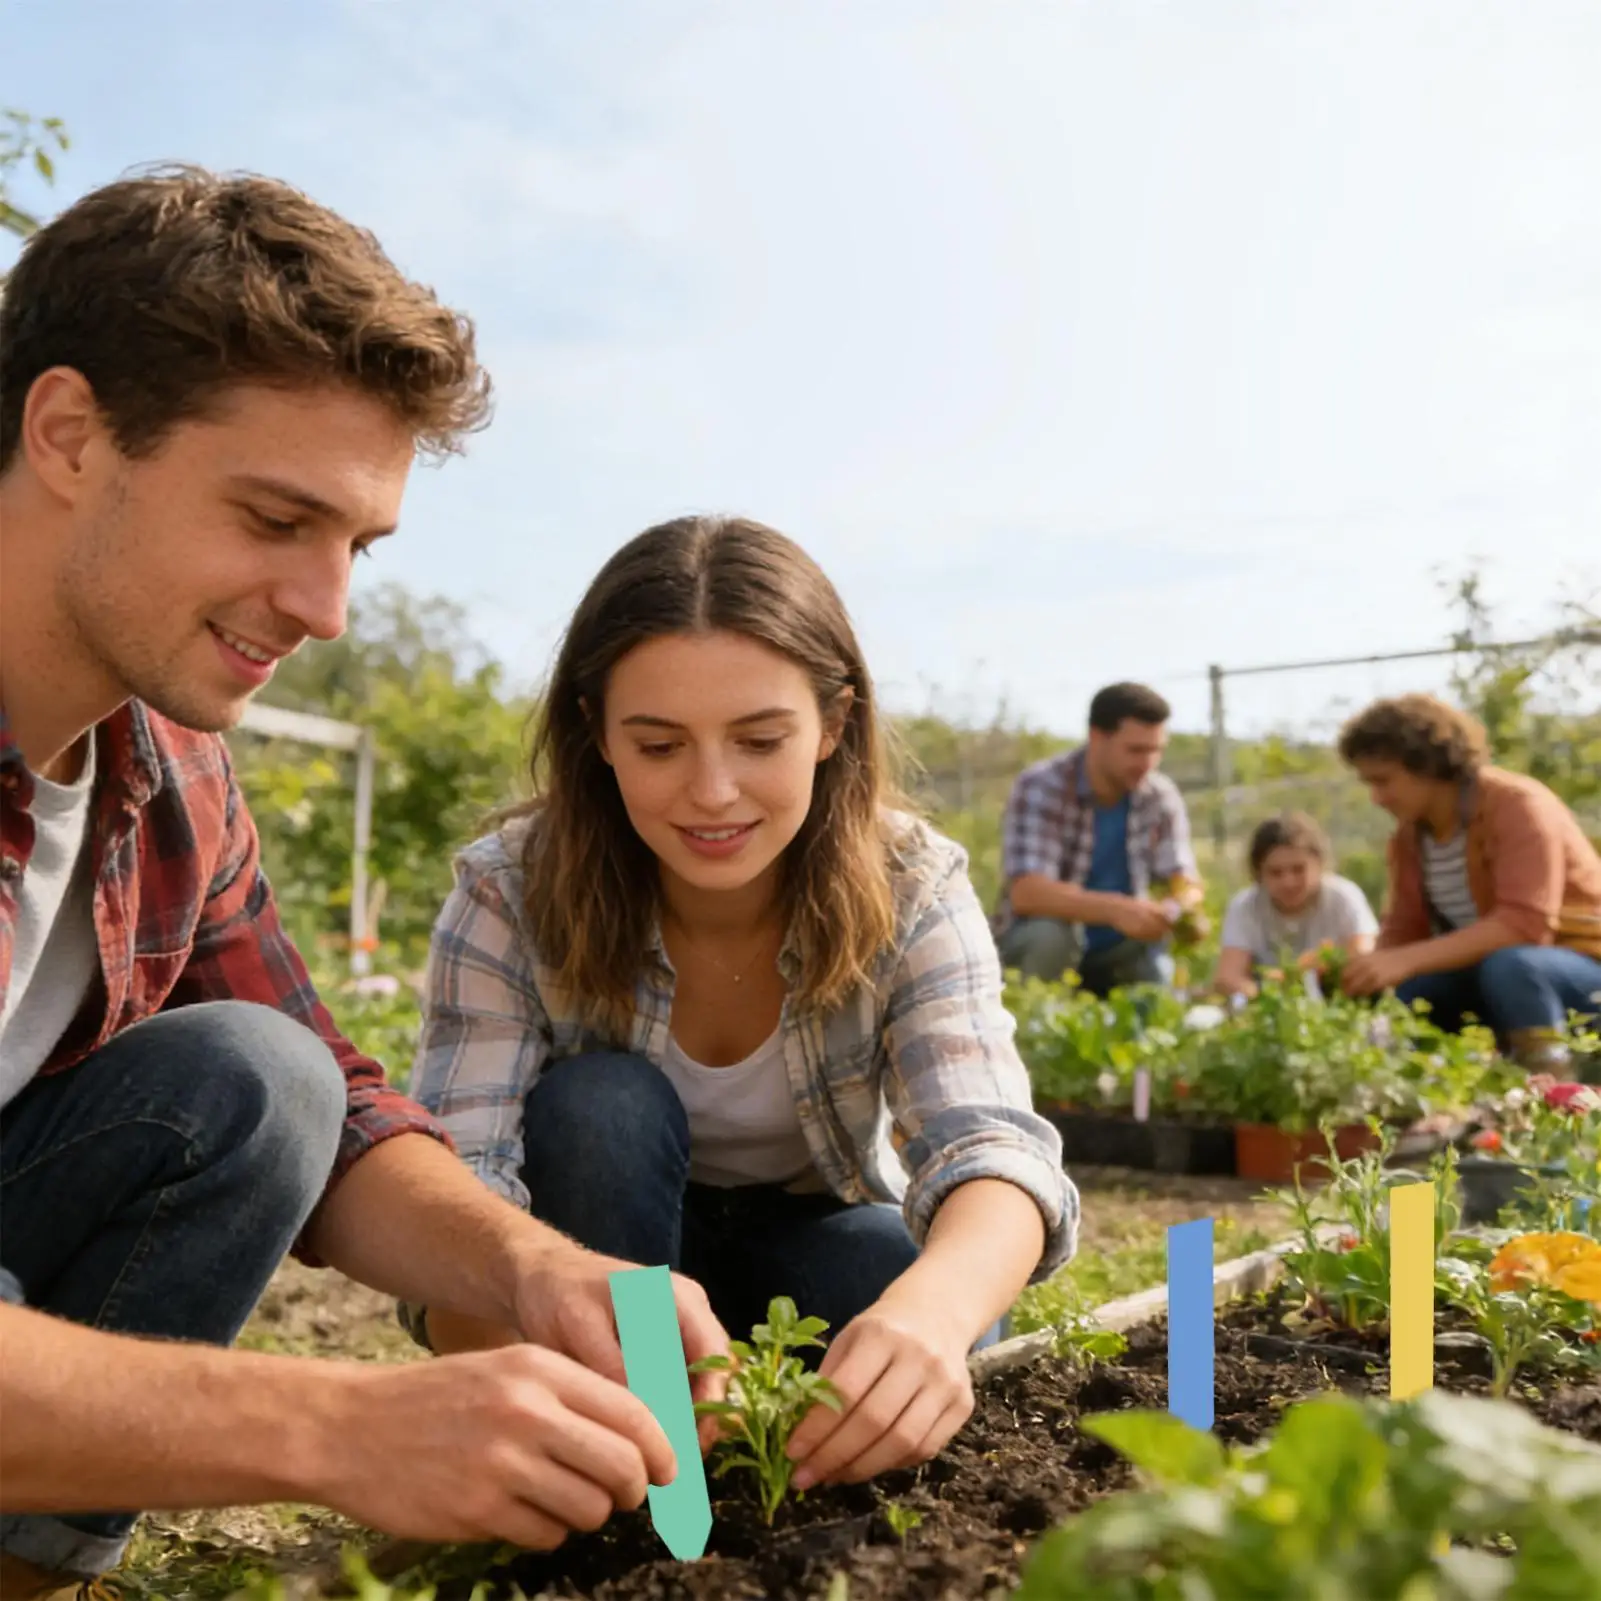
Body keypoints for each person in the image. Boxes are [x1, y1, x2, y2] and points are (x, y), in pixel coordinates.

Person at [0, 167, 731, 1599]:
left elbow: (336, 1111)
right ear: (70, 433)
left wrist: (532, 1270)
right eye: (278, 518)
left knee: (263, 1075)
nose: (326, 610)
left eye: (356, 546)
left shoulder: (172, 767)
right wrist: (338, 1428)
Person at [404, 514, 1079, 1495]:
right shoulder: (513, 887)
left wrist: (929, 1319)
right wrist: (516, 1381)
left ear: (833, 724)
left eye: (759, 739)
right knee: (600, 1105)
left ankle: (755, 1441)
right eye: (659, 744)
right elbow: (454, 1193)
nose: (712, 791)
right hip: (592, 1279)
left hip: (796, 1255)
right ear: (597, 732)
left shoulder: (909, 882)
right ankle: (622, 1439)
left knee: (891, 1264)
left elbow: (991, 1147)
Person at [1336, 694, 1601, 1070]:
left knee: (1513, 966)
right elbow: (1403, 932)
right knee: (1412, 992)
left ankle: (1553, 1089)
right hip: (1495, 974)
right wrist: (1369, 971)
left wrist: (1404, 959)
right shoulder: (1410, 839)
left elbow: (1525, 925)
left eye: (1383, 781)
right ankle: (1428, 1096)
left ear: (1426, 764)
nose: (1376, 798)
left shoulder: (1517, 805)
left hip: (1580, 968)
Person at [992, 683, 1206, 995]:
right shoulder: (1043, 786)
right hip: (1048, 941)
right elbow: (1027, 893)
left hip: (1119, 946)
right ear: (1096, 737)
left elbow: (1184, 878)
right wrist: (1117, 910)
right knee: (1048, 936)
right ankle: (1032, 1017)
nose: (1147, 763)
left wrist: (1179, 908)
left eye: (1156, 750)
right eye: (1135, 750)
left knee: (1155, 972)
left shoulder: (1159, 796)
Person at [1213, 813, 1378, 998]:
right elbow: (1228, 977)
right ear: (1259, 873)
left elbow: (1364, 955)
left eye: (1299, 869)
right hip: (1268, 1001)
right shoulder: (1245, 906)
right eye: (1275, 873)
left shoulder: (1343, 897)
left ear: (1319, 864)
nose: (1288, 882)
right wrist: (1272, 994)